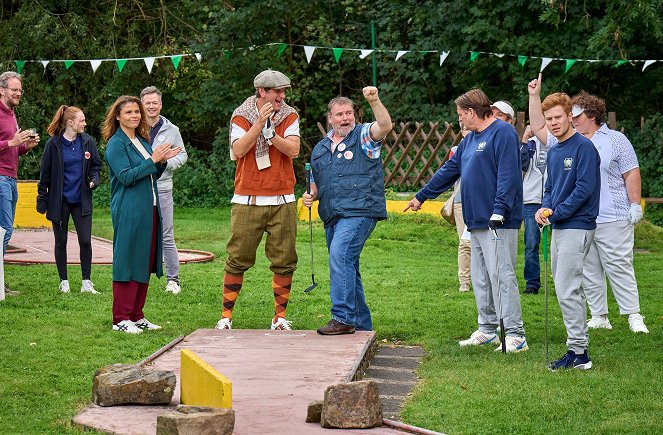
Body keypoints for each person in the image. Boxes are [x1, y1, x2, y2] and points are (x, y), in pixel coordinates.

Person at [404, 88, 528, 353]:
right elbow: (449, 170)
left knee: (501, 275)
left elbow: (509, 175)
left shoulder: (503, 133)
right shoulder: (470, 140)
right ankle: (488, 329)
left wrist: (500, 209)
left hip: (499, 220)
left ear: (472, 112)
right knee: (480, 276)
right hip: (475, 219)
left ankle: (515, 334)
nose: (460, 120)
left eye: (461, 115)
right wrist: (422, 196)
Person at [302, 87, 392, 335]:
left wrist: (373, 100)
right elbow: (316, 185)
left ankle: (342, 318)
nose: (345, 118)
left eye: (349, 113)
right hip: (332, 216)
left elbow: (384, 125)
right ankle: (362, 325)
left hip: (360, 211)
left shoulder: (364, 136)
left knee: (340, 255)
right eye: (339, 114)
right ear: (330, 118)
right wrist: (310, 194)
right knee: (347, 265)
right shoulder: (320, 149)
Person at [215, 69, 300, 331]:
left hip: (283, 197)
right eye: (277, 92)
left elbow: (294, 150)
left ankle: (280, 318)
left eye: (284, 91)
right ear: (262, 91)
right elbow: (238, 150)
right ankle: (226, 317)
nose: (282, 96)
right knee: (237, 258)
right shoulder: (241, 115)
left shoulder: (289, 114)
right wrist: (258, 125)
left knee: (285, 259)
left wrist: (272, 134)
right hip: (247, 198)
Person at [528, 74, 600, 370]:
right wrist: (544, 208)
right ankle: (577, 348)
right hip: (559, 225)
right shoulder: (554, 150)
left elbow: (584, 189)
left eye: (558, 117)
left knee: (568, 287)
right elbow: (550, 187)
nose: (554, 122)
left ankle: (579, 354)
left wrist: (556, 213)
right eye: (549, 118)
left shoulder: (583, 148)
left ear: (570, 117)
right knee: (564, 285)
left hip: (578, 225)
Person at [571, 91, 648, 333]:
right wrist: (535, 95)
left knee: (619, 266)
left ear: (592, 115)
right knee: (589, 268)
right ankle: (599, 316)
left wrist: (635, 204)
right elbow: (541, 129)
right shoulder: (571, 140)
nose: (572, 119)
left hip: (613, 215)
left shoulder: (615, 139)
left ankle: (634, 315)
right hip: (583, 217)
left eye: (577, 115)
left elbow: (631, 171)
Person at [102, 95, 180, 334]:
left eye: (137, 112)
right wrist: (152, 160)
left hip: (150, 208)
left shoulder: (142, 140)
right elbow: (126, 176)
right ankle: (120, 318)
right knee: (128, 259)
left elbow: (149, 172)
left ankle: (137, 315)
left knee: (144, 260)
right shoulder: (116, 143)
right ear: (117, 116)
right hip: (129, 208)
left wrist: (161, 162)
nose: (134, 116)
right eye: (128, 112)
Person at [36, 106, 102, 294]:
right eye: (82, 120)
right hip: (60, 200)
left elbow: (96, 166)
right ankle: (64, 281)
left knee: (85, 241)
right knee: (61, 241)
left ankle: (86, 282)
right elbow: (45, 173)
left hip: (81, 199)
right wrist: (42, 198)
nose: (85, 123)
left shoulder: (88, 142)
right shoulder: (53, 144)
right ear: (70, 122)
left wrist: (94, 180)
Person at [140, 86, 188, 295]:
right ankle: (139, 277)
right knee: (140, 233)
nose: (151, 106)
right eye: (147, 103)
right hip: (139, 186)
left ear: (160, 105)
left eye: (154, 103)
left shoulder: (172, 130)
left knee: (166, 234)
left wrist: (166, 163)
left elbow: (182, 155)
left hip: (163, 187)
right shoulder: (133, 127)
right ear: (142, 105)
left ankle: (173, 280)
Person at [0, 72, 40, 296]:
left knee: (6, 230)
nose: (18, 93)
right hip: (0, 178)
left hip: (11, 177)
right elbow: (6, 144)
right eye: (14, 89)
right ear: (2, 90)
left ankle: (0, 280)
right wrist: (11, 141)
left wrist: (24, 146)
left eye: (20, 90)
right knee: (4, 230)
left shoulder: (12, 114)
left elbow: (12, 148)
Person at [520, 125, 549, 294]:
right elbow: (522, 165)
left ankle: (567, 282)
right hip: (531, 199)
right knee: (531, 243)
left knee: (562, 244)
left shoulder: (559, 141)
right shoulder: (530, 142)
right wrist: (524, 139)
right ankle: (532, 283)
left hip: (555, 199)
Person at [450, 125, 471, 292]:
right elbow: (451, 173)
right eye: (463, 128)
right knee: (465, 243)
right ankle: (464, 281)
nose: (466, 129)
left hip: (482, 202)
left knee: (479, 244)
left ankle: (481, 278)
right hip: (461, 201)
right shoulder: (457, 150)